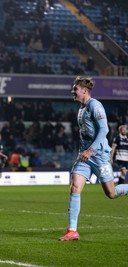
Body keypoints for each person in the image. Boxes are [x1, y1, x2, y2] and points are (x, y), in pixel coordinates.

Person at [59, 76, 128, 241]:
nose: (72, 91)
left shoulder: (95, 105)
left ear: (84, 90)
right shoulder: (81, 108)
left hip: (98, 155)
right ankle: (72, 230)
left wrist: (90, 150)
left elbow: (104, 130)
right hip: (84, 156)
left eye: (75, 88)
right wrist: (85, 151)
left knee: (111, 193)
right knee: (75, 187)